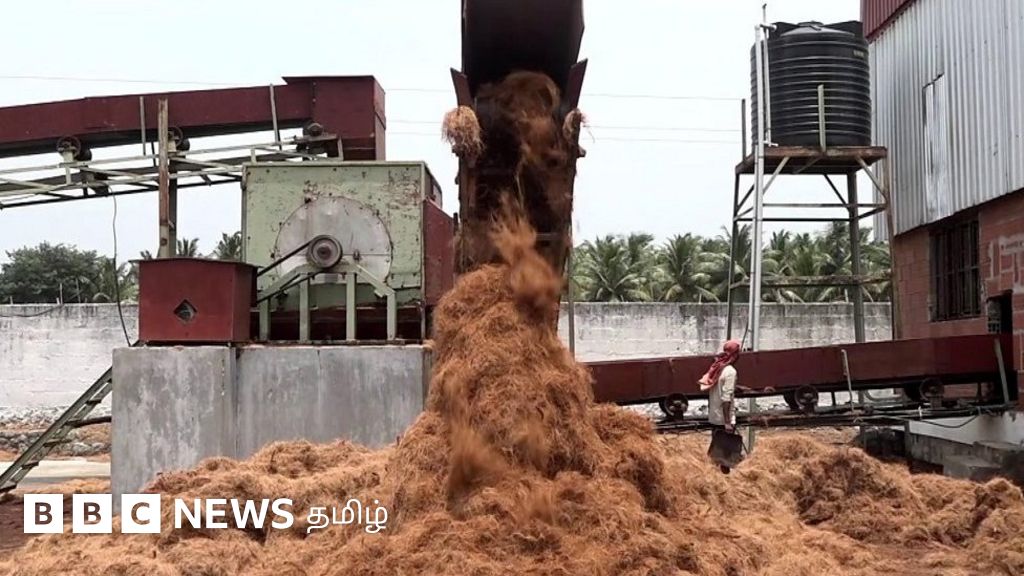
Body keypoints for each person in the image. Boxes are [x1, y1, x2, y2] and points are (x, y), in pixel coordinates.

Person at [699, 340, 741, 473]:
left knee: (716, 456)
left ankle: (714, 475)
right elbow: (726, 398)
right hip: (724, 420)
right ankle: (724, 477)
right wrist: (728, 422)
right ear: (735, 354)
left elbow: (718, 388)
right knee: (726, 459)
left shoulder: (718, 367)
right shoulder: (730, 371)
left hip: (714, 417)